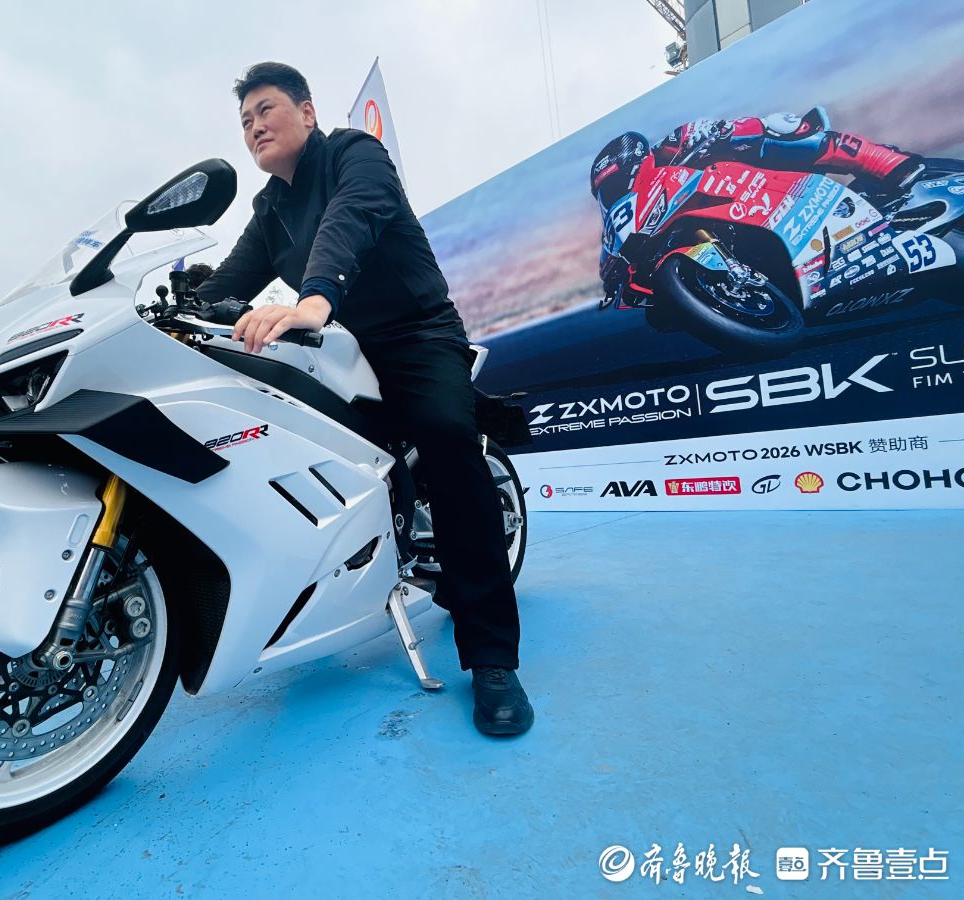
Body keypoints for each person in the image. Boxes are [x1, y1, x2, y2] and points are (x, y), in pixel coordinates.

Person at [195, 62, 531, 735]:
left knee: (445, 437)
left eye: (265, 110)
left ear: (307, 112)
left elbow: (351, 219)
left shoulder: (355, 153)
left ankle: (492, 655)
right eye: (244, 121)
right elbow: (226, 282)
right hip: (338, 343)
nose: (254, 126)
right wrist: (177, 312)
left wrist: (315, 297)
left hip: (415, 333)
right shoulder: (269, 209)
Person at [590, 109, 925, 297]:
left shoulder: (671, 147)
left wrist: (719, 131)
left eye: (616, 186)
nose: (615, 195)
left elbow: (711, 129)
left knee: (783, 127)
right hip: (721, 223)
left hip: (755, 180)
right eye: (608, 194)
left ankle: (890, 163)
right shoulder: (623, 224)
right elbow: (613, 270)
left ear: (637, 162)